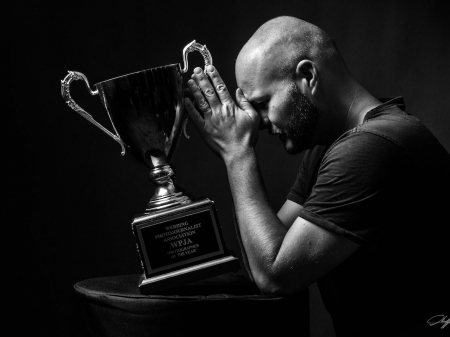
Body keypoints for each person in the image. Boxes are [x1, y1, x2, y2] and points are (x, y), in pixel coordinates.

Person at [185, 16, 450, 336]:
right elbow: (261, 256)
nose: (259, 121)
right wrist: (237, 151)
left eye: (264, 103)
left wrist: (237, 153)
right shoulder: (331, 147)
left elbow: (274, 274)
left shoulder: (372, 148)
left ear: (307, 75)